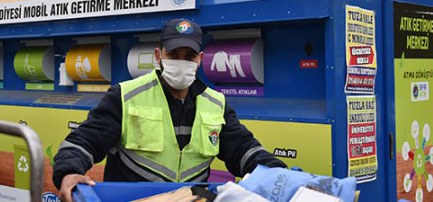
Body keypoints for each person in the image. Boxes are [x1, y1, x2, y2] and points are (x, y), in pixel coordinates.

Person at [52, 18, 287, 200]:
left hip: (189, 199)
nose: (181, 61)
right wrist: (69, 171)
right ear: (158, 56)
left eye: (189, 55)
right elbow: (85, 140)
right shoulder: (125, 96)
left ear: (200, 59)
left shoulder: (216, 103)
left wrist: (279, 175)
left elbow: (243, 148)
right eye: (173, 54)